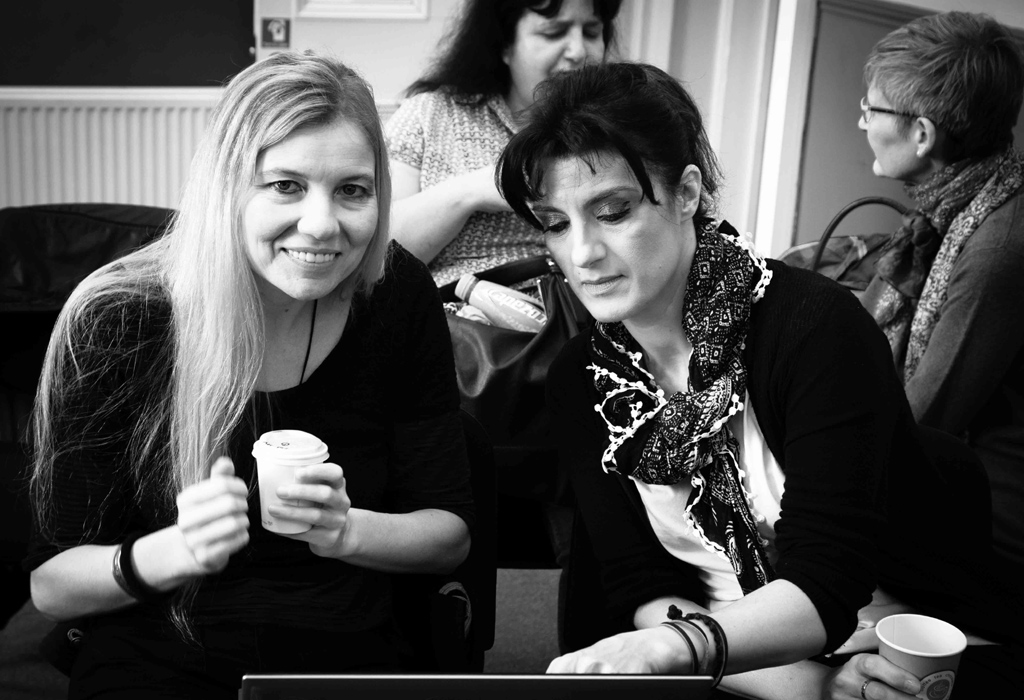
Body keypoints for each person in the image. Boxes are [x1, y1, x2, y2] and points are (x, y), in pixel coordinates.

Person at [496, 61, 1023, 698]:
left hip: (886, 645)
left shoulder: (812, 327)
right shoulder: (582, 378)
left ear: (686, 194)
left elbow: (827, 580)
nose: (582, 253)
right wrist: (802, 685)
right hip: (727, 664)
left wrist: (683, 649)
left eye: (612, 212)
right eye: (556, 223)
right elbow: (638, 585)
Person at [25, 51, 473, 699]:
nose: (321, 225)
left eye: (352, 190)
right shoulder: (119, 317)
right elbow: (51, 587)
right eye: (285, 185)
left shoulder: (395, 291)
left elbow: (449, 538)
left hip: (347, 643)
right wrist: (175, 551)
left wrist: (345, 531)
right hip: (158, 643)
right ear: (227, 188)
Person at [857, 11, 1024, 572]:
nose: (862, 122)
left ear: (923, 134)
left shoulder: (999, 248)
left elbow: (919, 422)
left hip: (991, 534)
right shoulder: (960, 208)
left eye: (871, 109)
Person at [386, 0, 622, 286]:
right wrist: (470, 192)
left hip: (574, 307)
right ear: (504, 45)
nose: (579, 51)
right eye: (554, 32)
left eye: (592, 32)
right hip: (452, 307)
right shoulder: (429, 114)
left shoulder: (619, 129)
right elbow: (378, 255)